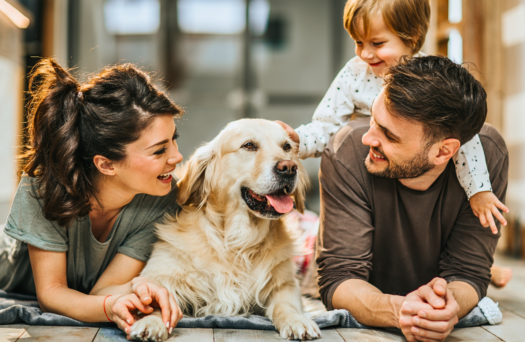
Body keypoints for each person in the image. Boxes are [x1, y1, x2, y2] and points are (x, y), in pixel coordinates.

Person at [316, 55, 508, 342]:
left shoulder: (489, 157)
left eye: (389, 136)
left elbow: (468, 272)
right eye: (373, 119)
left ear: (444, 152)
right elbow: (339, 278)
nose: (368, 139)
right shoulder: (347, 151)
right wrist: (399, 310)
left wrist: (448, 305)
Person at [278, 0, 509, 234]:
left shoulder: (429, 79)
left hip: (421, 184)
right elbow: (327, 124)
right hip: (374, 181)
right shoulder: (355, 73)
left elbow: (463, 138)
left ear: (411, 35)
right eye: (358, 42)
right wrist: (298, 140)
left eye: (377, 43)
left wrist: (479, 190)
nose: (365, 53)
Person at [0, 59, 183, 337]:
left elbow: (103, 290)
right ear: (107, 164)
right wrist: (111, 307)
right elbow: (51, 294)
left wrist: (138, 289)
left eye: (174, 139)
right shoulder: (42, 187)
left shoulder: (163, 198)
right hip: (12, 278)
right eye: (159, 151)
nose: (177, 156)